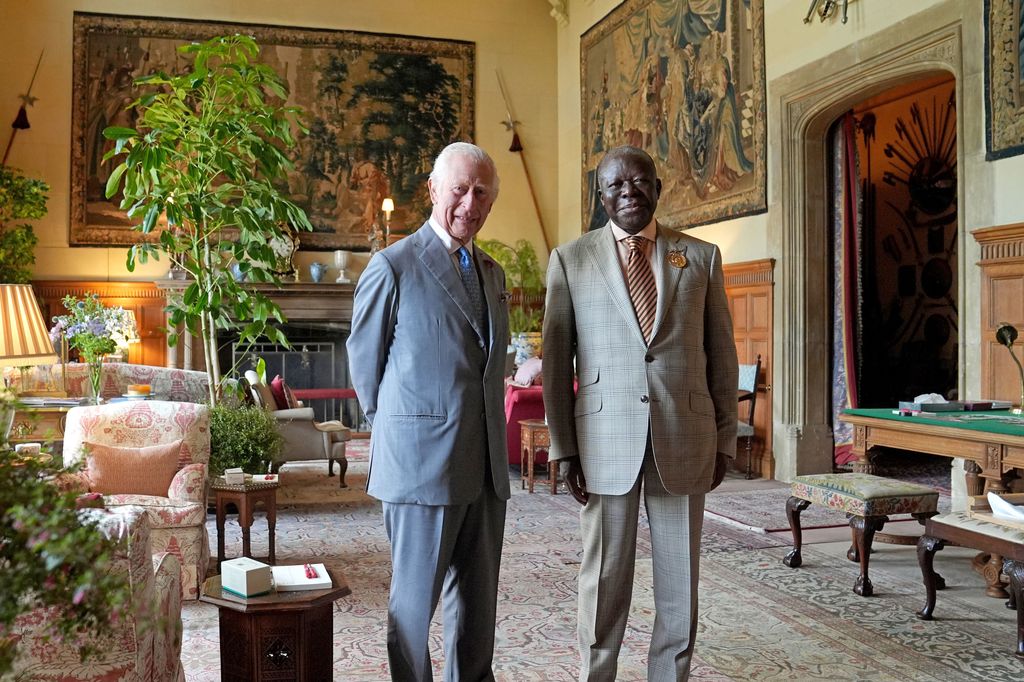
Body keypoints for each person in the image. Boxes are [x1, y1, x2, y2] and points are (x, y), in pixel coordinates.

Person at [542, 145, 738, 681]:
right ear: (600, 196)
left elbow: (722, 355)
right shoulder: (571, 259)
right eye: (615, 185)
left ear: (657, 187)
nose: (628, 192)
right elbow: (558, 365)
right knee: (603, 581)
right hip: (604, 444)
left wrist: (725, 439)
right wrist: (563, 449)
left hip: (685, 437)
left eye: (639, 182)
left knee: (680, 585)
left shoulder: (699, 256)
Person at [347, 141, 511, 681]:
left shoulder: (492, 272)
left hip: (486, 468)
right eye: (459, 189)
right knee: (413, 613)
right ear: (434, 190)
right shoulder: (391, 266)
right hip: (421, 468)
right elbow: (365, 368)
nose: (469, 203)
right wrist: (403, 434)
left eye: (481, 192)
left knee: (477, 611)